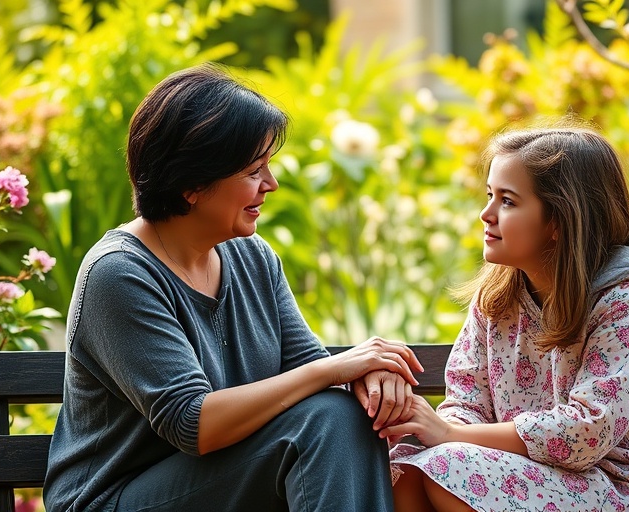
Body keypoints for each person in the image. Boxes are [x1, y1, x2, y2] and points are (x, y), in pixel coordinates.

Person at [43, 63, 422, 512]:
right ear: (192, 184)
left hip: (219, 484)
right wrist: (336, 369)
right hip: (113, 500)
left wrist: (371, 375)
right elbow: (191, 422)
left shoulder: (252, 258)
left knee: (342, 414)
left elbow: (308, 370)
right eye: (253, 171)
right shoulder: (119, 274)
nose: (271, 185)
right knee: (328, 418)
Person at [382, 126, 629, 511]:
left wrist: (449, 434)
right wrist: (443, 428)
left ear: (558, 221)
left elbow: (588, 430)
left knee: (449, 469)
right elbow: (467, 401)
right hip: (533, 477)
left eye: (507, 201)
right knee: (408, 472)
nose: (486, 214)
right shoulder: (497, 299)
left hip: (627, 486)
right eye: (489, 195)